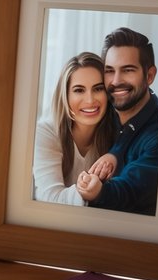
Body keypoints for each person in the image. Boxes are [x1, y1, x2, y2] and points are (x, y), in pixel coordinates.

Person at [77, 27, 158, 215]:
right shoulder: (99, 110)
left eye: (128, 70)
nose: (116, 81)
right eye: (109, 71)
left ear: (149, 75)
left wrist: (98, 192)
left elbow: (131, 191)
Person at [32, 53, 119, 205]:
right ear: (65, 96)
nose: (90, 100)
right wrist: (88, 191)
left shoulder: (119, 135)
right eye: (79, 90)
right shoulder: (45, 132)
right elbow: (50, 199)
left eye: (98, 89)